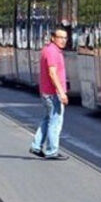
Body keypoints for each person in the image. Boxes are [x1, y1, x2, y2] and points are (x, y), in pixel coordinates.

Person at [29, 27, 70, 159]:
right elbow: (52, 73)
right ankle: (52, 151)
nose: (63, 40)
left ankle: (36, 146)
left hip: (47, 92)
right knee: (55, 122)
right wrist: (61, 93)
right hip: (53, 93)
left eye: (65, 38)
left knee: (48, 120)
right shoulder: (52, 52)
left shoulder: (49, 49)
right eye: (60, 37)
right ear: (53, 38)